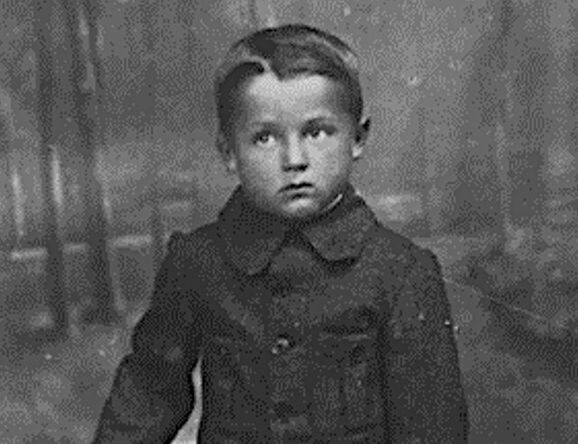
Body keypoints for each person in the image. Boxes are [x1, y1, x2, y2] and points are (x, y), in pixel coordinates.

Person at [92, 23, 470, 443]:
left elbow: (431, 426)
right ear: (228, 152)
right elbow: (149, 391)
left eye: (317, 132)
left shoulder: (400, 272)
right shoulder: (197, 263)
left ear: (358, 138)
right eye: (265, 138)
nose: (294, 160)